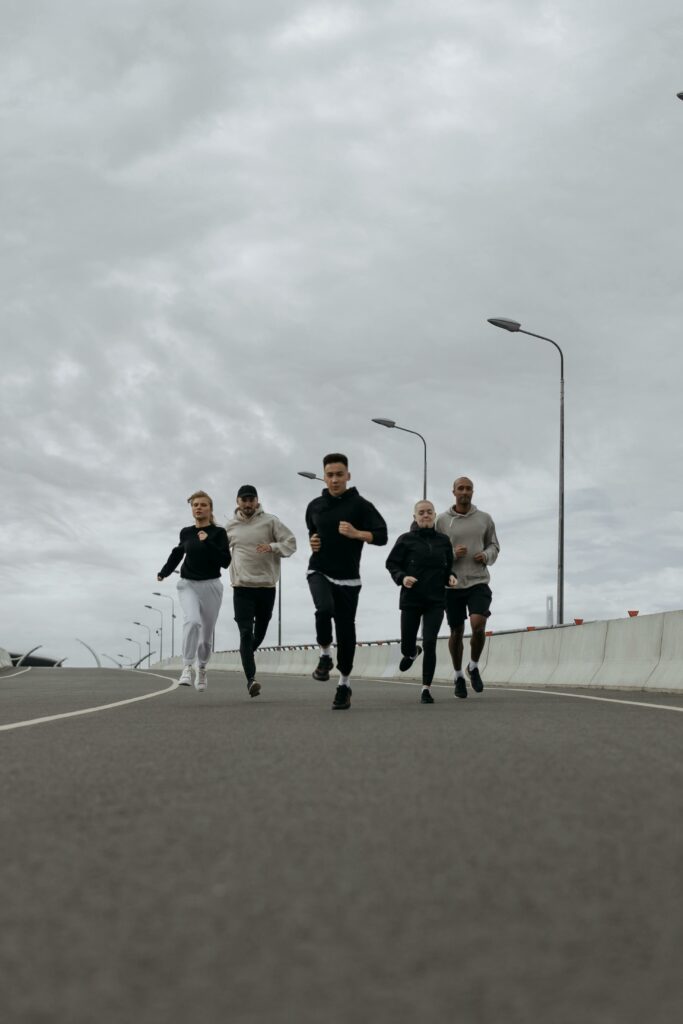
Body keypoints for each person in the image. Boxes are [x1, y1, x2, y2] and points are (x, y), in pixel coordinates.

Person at [306, 453, 388, 710]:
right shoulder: (315, 505)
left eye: (339, 474)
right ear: (324, 476)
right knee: (323, 609)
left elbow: (382, 535)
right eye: (329, 475)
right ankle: (325, 656)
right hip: (319, 569)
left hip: (349, 578)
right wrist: (313, 541)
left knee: (346, 631)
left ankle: (344, 684)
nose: (334, 479)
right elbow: (312, 530)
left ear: (348, 476)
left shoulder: (361, 505)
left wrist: (357, 533)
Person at [225, 484, 297, 698]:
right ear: (238, 501)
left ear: (257, 501)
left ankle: (246, 654)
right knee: (245, 632)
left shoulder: (270, 521)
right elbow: (218, 549)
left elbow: (291, 543)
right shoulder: (230, 527)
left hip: (266, 587)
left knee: (260, 633)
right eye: (244, 500)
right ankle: (251, 680)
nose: (248, 504)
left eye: (251, 500)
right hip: (242, 588)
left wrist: (273, 547)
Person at [157, 490, 230, 692]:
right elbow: (178, 553)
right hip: (188, 583)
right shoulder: (186, 532)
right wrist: (164, 572)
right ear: (192, 509)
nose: (198, 507)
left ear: (210, 509)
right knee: (192, 621)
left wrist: (208, 541)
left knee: (206, 635)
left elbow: (225, 562)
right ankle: (187, 666)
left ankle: (203, 668)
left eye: (203, 504)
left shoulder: (219, 533)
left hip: (212, 586)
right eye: (195, 505)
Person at [385, 500, 457, 703]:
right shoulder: (405, 540)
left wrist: (450, 577)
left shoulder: (443, 541)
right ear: (414, 517)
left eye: (429, 512)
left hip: (436, 600)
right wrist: (402, 577)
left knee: (430, 642)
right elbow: (391, 563)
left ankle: (426, 689)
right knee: (407, 644)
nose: (425, 515)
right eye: (421, 513)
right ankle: (410, 653)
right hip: (411, 599)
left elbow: (448, 567)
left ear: (434, 516)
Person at [436, 477, 500, 698]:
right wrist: (452, 554)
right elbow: (434, 551)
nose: (464, 492)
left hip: (478, 581)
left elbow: (494, 544)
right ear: (453, 491)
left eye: (468, 488)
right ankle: (458, 675)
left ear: (473, 492)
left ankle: (473, 666)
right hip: (452, 584)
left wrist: (487, 555)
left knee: (478, 623)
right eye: (460, 488)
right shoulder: (442, 521)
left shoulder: (484, 519)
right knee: (456, 631)